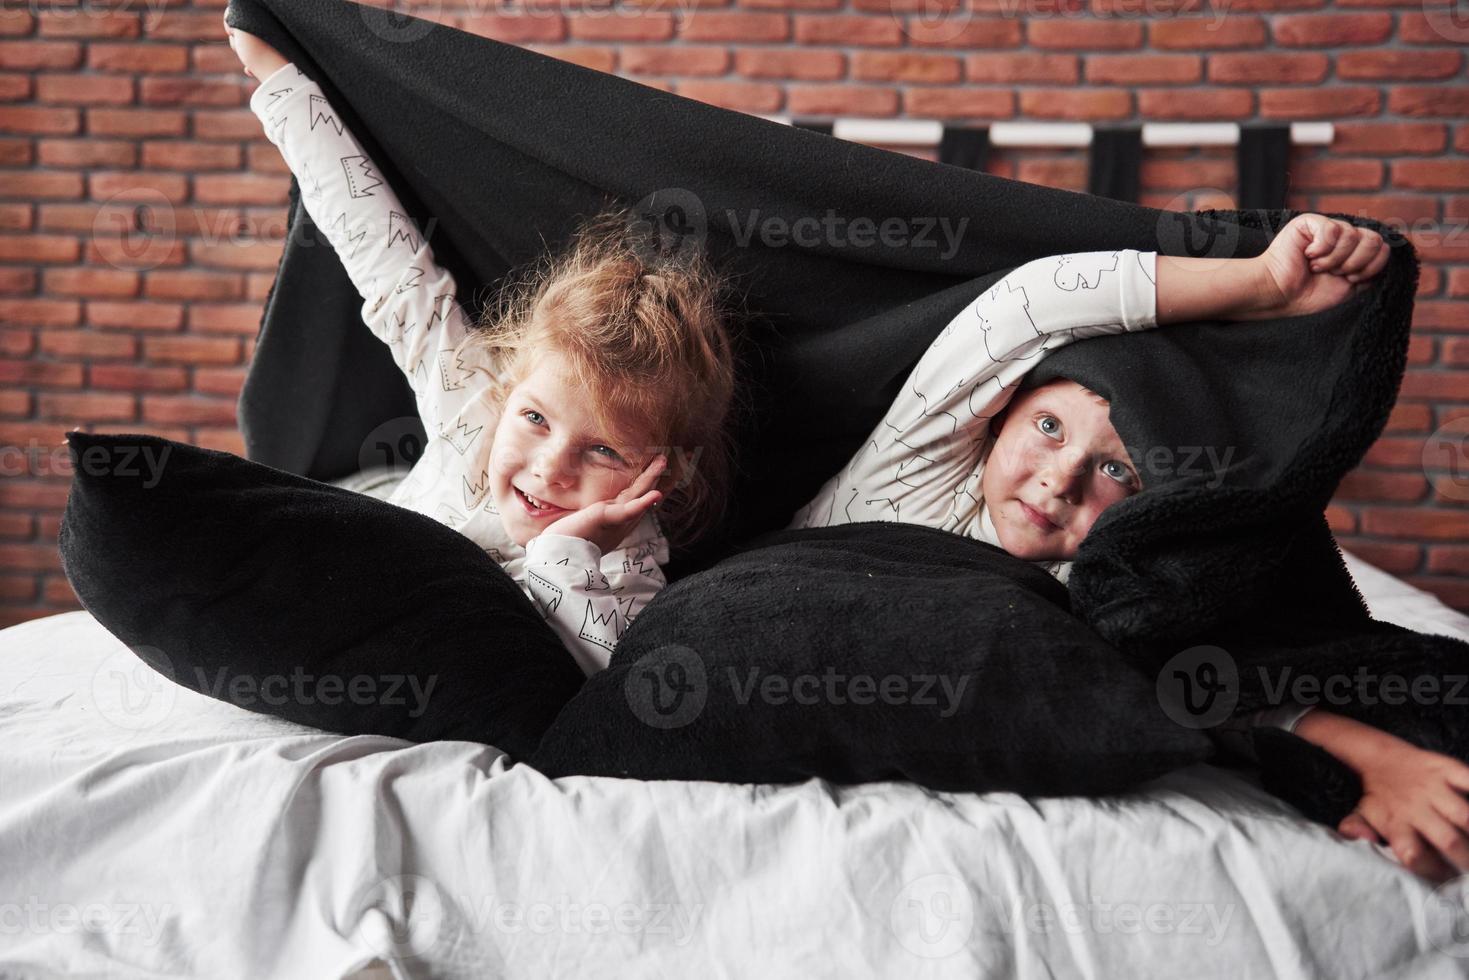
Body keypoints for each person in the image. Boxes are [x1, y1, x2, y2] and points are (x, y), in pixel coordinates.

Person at [787, 216, 1469, 884]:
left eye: (1117, 470)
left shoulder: (1106, 581)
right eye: (1047, 426)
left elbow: (1208, 687)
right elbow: (1030, 303)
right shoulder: (913, 465)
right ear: (995, 416)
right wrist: (1264, 284)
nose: (1060, 478)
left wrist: (1379, 760)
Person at [227, 24, 738, 677]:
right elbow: (390, 266)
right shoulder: (475, 401)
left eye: (604, 449)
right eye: (535, 418)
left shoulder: (630, 567)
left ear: (664, 476)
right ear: (510, 395)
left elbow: (607, 686)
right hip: (378, 495)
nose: (551, 469)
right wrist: (279, 86)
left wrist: (564, 555)